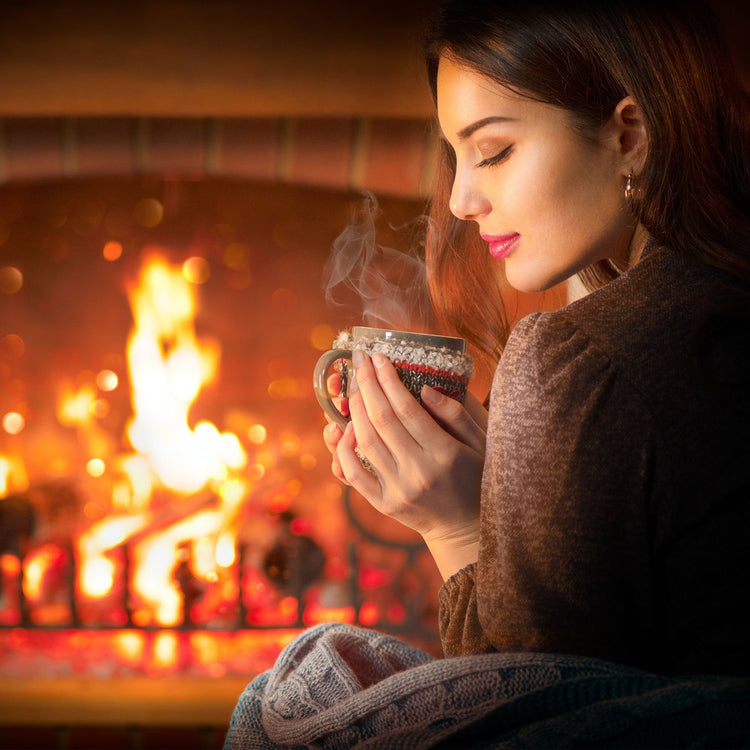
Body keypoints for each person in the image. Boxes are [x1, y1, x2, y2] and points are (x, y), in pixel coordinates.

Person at [322, 0, 750, 678]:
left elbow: (524, 708)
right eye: (455, 157)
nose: (461, 199)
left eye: (493, 151)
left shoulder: (576, 358)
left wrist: (456, 526)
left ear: (629, 134)